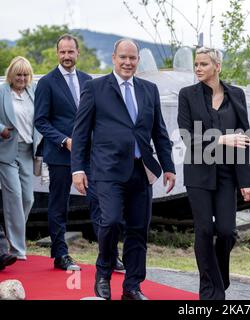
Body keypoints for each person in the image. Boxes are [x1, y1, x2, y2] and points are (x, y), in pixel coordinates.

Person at [71, 39, 176, 300]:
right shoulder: (94, 88)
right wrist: (77, 169)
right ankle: (103, 273)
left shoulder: (149, 90)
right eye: (123, 58)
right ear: (114, 59)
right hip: (107, 171)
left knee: (139, 229)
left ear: (137, 60)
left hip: (141, 171)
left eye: (132, 58)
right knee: (112, 222)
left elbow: (159, 133)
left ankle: (132, 286)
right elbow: (81, 133)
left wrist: (169, 167)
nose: (128, 62)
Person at [177, 47, 250, 300]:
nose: (198, 68)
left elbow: (244, 135)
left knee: (226, 231)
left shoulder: (236, 94)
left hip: (227, 175)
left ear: (217, 66)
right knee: (203, 231)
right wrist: (222, 139)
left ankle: (219, 277)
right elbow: (186, 136)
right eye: (196, 64)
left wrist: (248, 180)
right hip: (198, 174)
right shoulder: (187, 95)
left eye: (203, 64)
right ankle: (210, 291)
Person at [34, 34, 92, 271]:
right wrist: (64, 141)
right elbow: (41, 121)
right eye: (62, 52)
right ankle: (60, 254)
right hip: (59, 154)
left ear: (78, 53)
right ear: (57, 53)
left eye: (71, 52)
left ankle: (109, 254)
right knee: (59, 204)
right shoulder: (47, 82)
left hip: (88, 154)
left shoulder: (89, 81)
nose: (67, 56)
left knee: (99, 201)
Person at [0, 56, 42, 260]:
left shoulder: (33, 92)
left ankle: (11, 238)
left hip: (28, 152)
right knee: (14, 198)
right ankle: (17, 249)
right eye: (19, 74)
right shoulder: (2, 92)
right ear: (11, 74)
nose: (22, 78)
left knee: (28, 198)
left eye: (26, 75)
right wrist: (1, 130)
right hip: (6, 152)